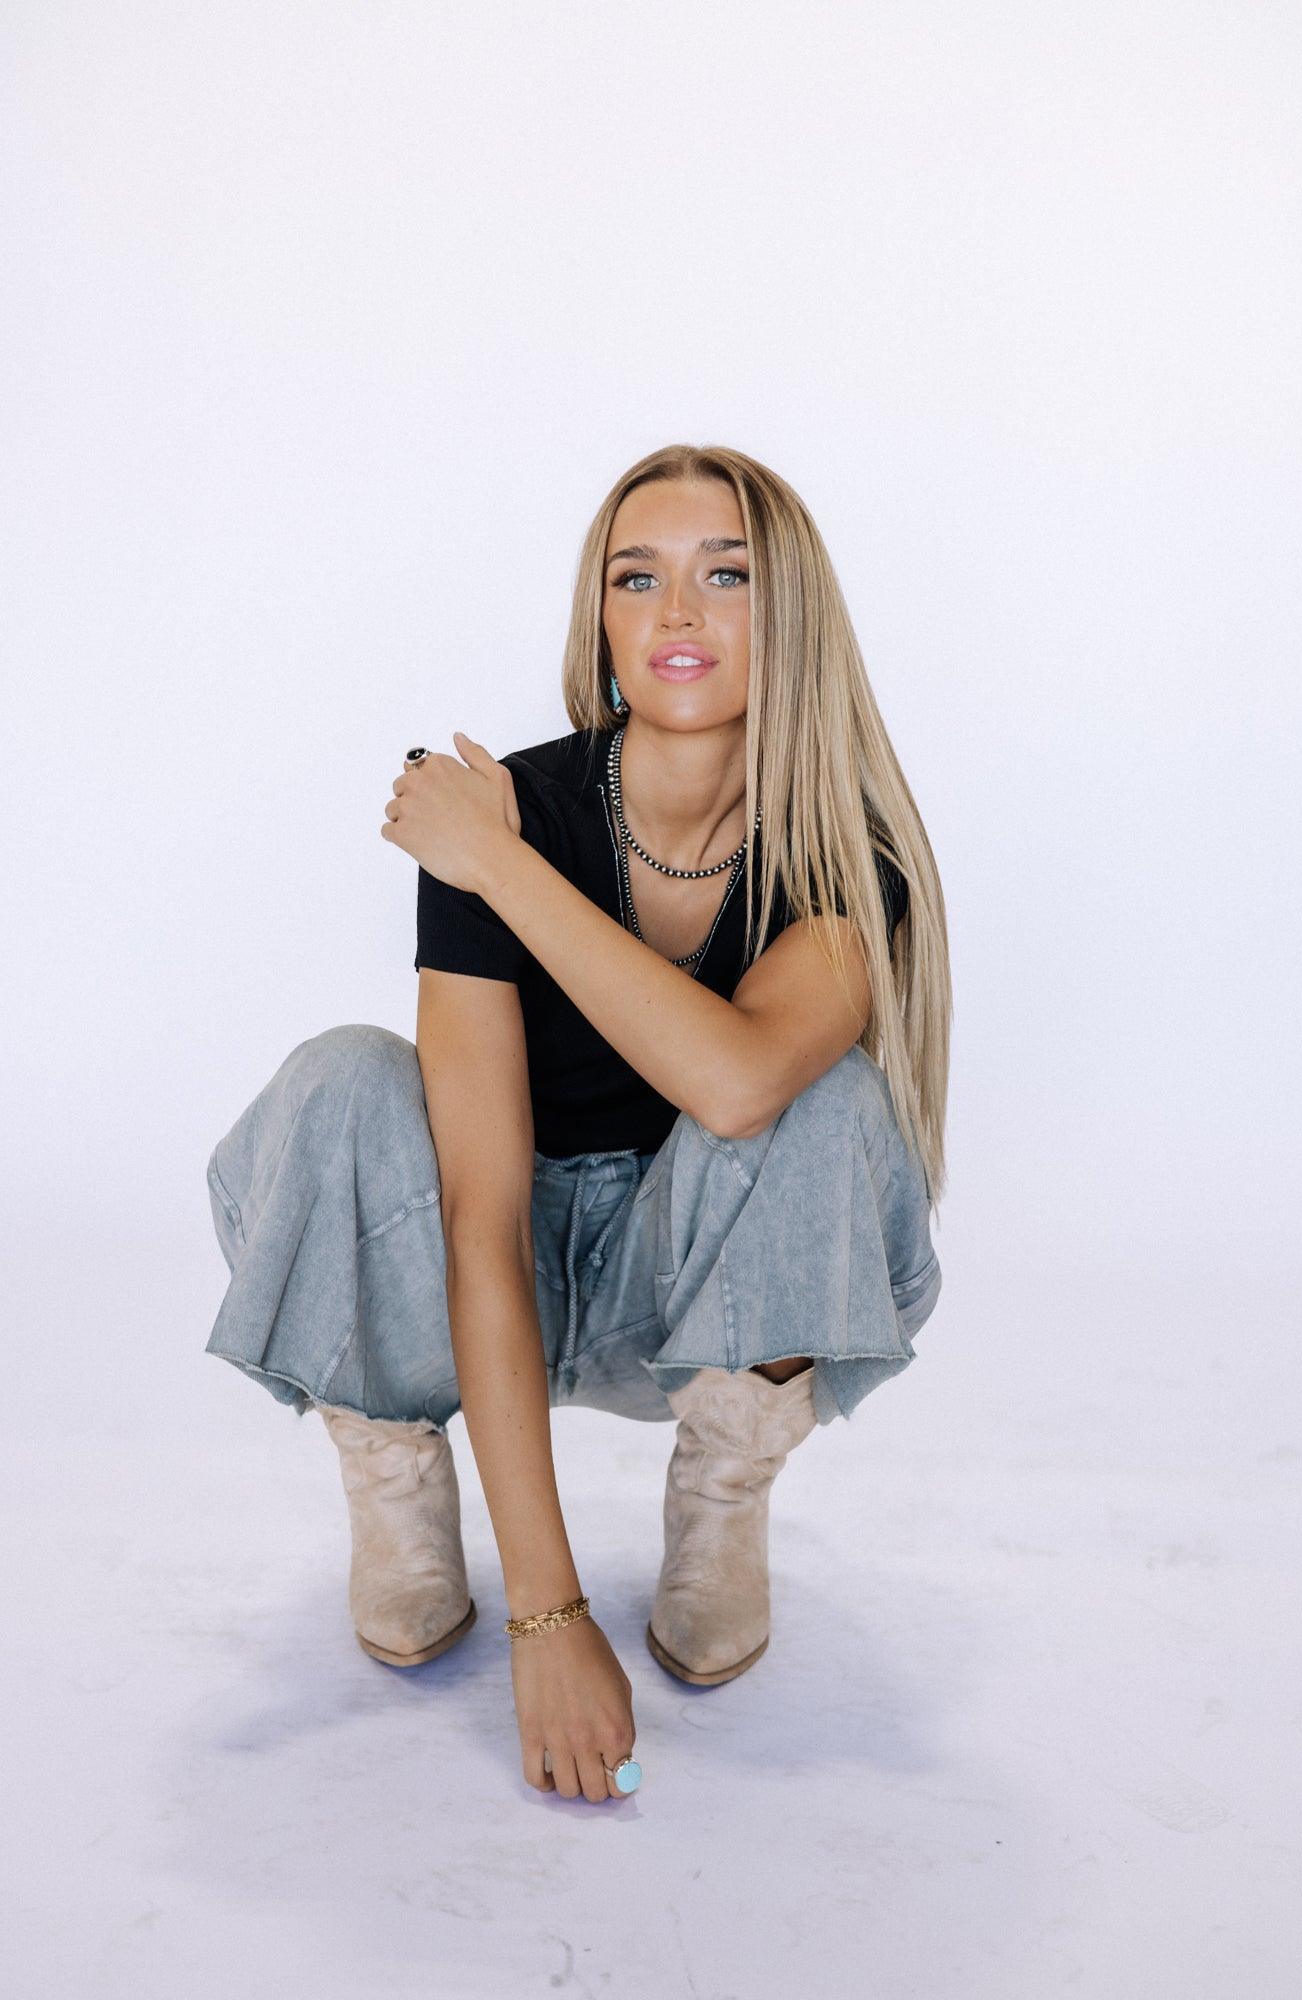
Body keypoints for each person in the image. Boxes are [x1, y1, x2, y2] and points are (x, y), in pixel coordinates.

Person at [203, 442, 952, 1807]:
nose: (679, 612)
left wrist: (498, 868)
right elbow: (479, 1220)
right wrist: (546, 1618)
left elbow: (736, 1085)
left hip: (687, 1294)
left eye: (727, 574)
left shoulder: (843, 853)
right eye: (636, 577)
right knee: (342, 1079)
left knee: (827, 1095)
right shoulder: (521, 804)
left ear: (788, 612)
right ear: (599, 621)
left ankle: (722, 1495)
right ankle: (394, 1473)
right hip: (479, 1288)